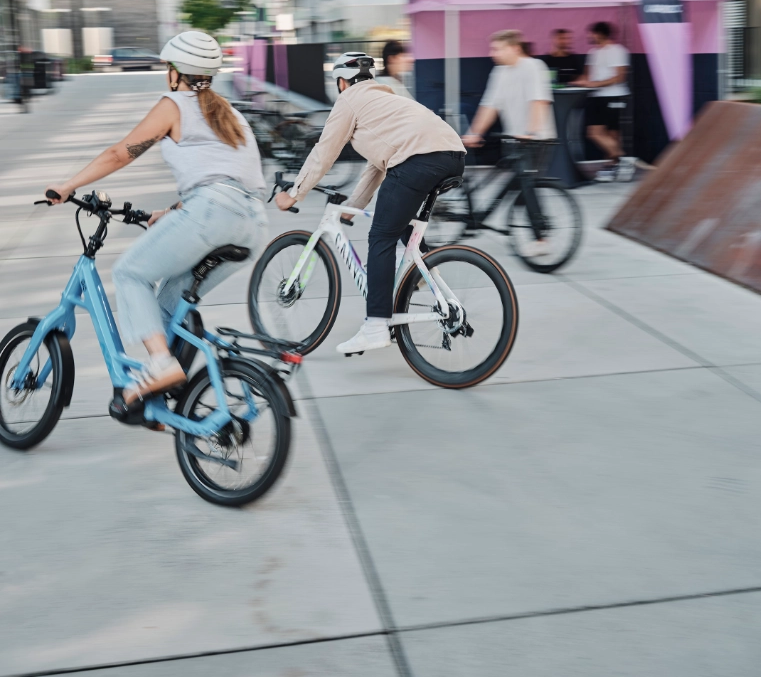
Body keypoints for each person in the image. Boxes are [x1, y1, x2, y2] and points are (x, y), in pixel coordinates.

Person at [43, 30, 269, 406]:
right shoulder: (230, 114)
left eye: (169, 67)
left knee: (130, 272)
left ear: (176, 72)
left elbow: (120, 153)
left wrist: (67, 186)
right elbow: (234, 183)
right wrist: (173, 213)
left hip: (211, 213)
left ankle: (162, 363)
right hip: (252, 224)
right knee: (168, 301)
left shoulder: (175, 103)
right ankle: (171, 387)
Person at [274, 51, 465, 355]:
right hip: (453, 154)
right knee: (400, 220)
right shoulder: (385, 100)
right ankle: (421, 275)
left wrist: (294, 194)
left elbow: (325, 152)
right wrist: (354, 204)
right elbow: (379, 163)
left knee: (380, 237)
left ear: (341, 82)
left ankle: (375, 326)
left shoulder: (349, 100)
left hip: (419, 159)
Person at [463, 29, 556, 257]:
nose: (492, 53)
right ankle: (480, 219)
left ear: (514, 48)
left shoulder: (534, 67)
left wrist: (530, 132)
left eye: (497, 48)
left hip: (537, 140)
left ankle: (541, 238)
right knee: (517, 186)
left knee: (526, 185)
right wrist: (473, 133)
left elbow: (539, 101)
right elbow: (489, 106)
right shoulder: (499, 72)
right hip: (515, 140)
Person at [574, 21, 633, 182]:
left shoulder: (618, 50)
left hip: (615, 96)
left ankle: (611, 166)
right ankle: (624, 160)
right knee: (594, 133)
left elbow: (620, 77)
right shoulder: (592, 52)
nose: (588, 37)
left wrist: (594, 84)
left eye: (591, 33)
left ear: (599, 34)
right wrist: (576, 82)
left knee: (612, 134)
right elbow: (587, 76)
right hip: (596, 96)